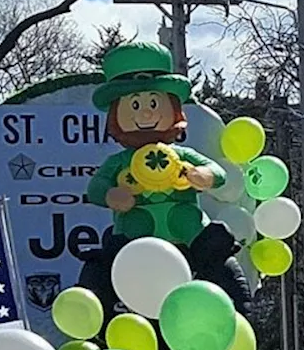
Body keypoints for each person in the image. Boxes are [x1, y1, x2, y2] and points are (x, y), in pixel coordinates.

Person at [80, 41, 252, 317]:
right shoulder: (119, 163)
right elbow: (96, 187)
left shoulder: (183, 155)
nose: (146, 113)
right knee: (103, 264)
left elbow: (216, 173)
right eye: (135, 105)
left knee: (217, 252)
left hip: (189, 235)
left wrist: (203, 176)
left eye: (152, 103)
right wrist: (113, 195)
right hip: (134, 243)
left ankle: (233, 311)